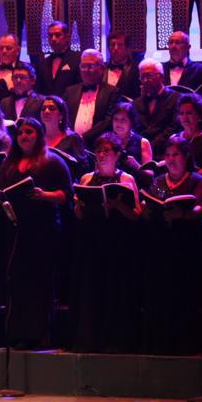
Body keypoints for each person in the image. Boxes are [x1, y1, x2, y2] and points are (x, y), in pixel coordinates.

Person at [0, 117, 73, 349]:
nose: (24, 136)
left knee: (39, 283)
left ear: (38, 135)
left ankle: (39, 334)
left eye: (29, 132)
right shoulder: (9, 163)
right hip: (17, 230)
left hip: (43, 230)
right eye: (20, 133)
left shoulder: (52, 161)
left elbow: (66, 194)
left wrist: (44, 196)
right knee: (18, 282)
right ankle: (18, 332)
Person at [68, 133, 142, 353]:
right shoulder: (86, 178)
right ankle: (91, 339)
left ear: (117, 155)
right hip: (92, 240)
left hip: (117, 242)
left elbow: (137, 214)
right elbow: (79, 216)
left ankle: (114, 340)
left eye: (106, 151)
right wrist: (78, 205)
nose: (101, 155)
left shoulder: (126, 179)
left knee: (114, 289)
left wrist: (117, 205)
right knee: (92, 288)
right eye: (99, 150)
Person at [140, 135, 202, 355]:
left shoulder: (195, 180)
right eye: (167, 155)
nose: (170, 159)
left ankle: (184, 343)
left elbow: (200, 208)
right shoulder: (158, 181)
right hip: (161, 246)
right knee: (161, 294)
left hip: (185, 246)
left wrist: (184, 214)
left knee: (184, 294)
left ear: (186, 156)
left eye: (175, 154)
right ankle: (161, 343)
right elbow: (150, 206)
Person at [63, 49, 119, 149]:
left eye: (90, 66)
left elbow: (108, 121)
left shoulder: (112, 92)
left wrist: (82, 137)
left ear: (101, 68)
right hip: (70, 146)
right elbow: (63, 116)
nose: (86, 70)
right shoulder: (70, 91)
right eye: (83, 66)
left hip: (98, 147)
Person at [132, 59, 182, 158]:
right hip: (141, 153)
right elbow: (134, 129)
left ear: (162, 77)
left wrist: (151, 146)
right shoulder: (136, 103)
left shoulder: (177, 98)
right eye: (142, 77)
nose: (145, 80)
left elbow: (175, 127)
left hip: (168, 151)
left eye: (149, 76)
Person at [34, 22, 81, 97]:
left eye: (57, 35)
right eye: (50, 35)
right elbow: (39, 90)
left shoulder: (77, 59)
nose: (53, 39)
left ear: (67, 37)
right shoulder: (43, 63)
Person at [105, 31, 141, 101]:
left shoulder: (137, 69)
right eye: (112, 45)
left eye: (120, 45)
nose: (115, 48)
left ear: (127, 49)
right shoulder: (102, 69)